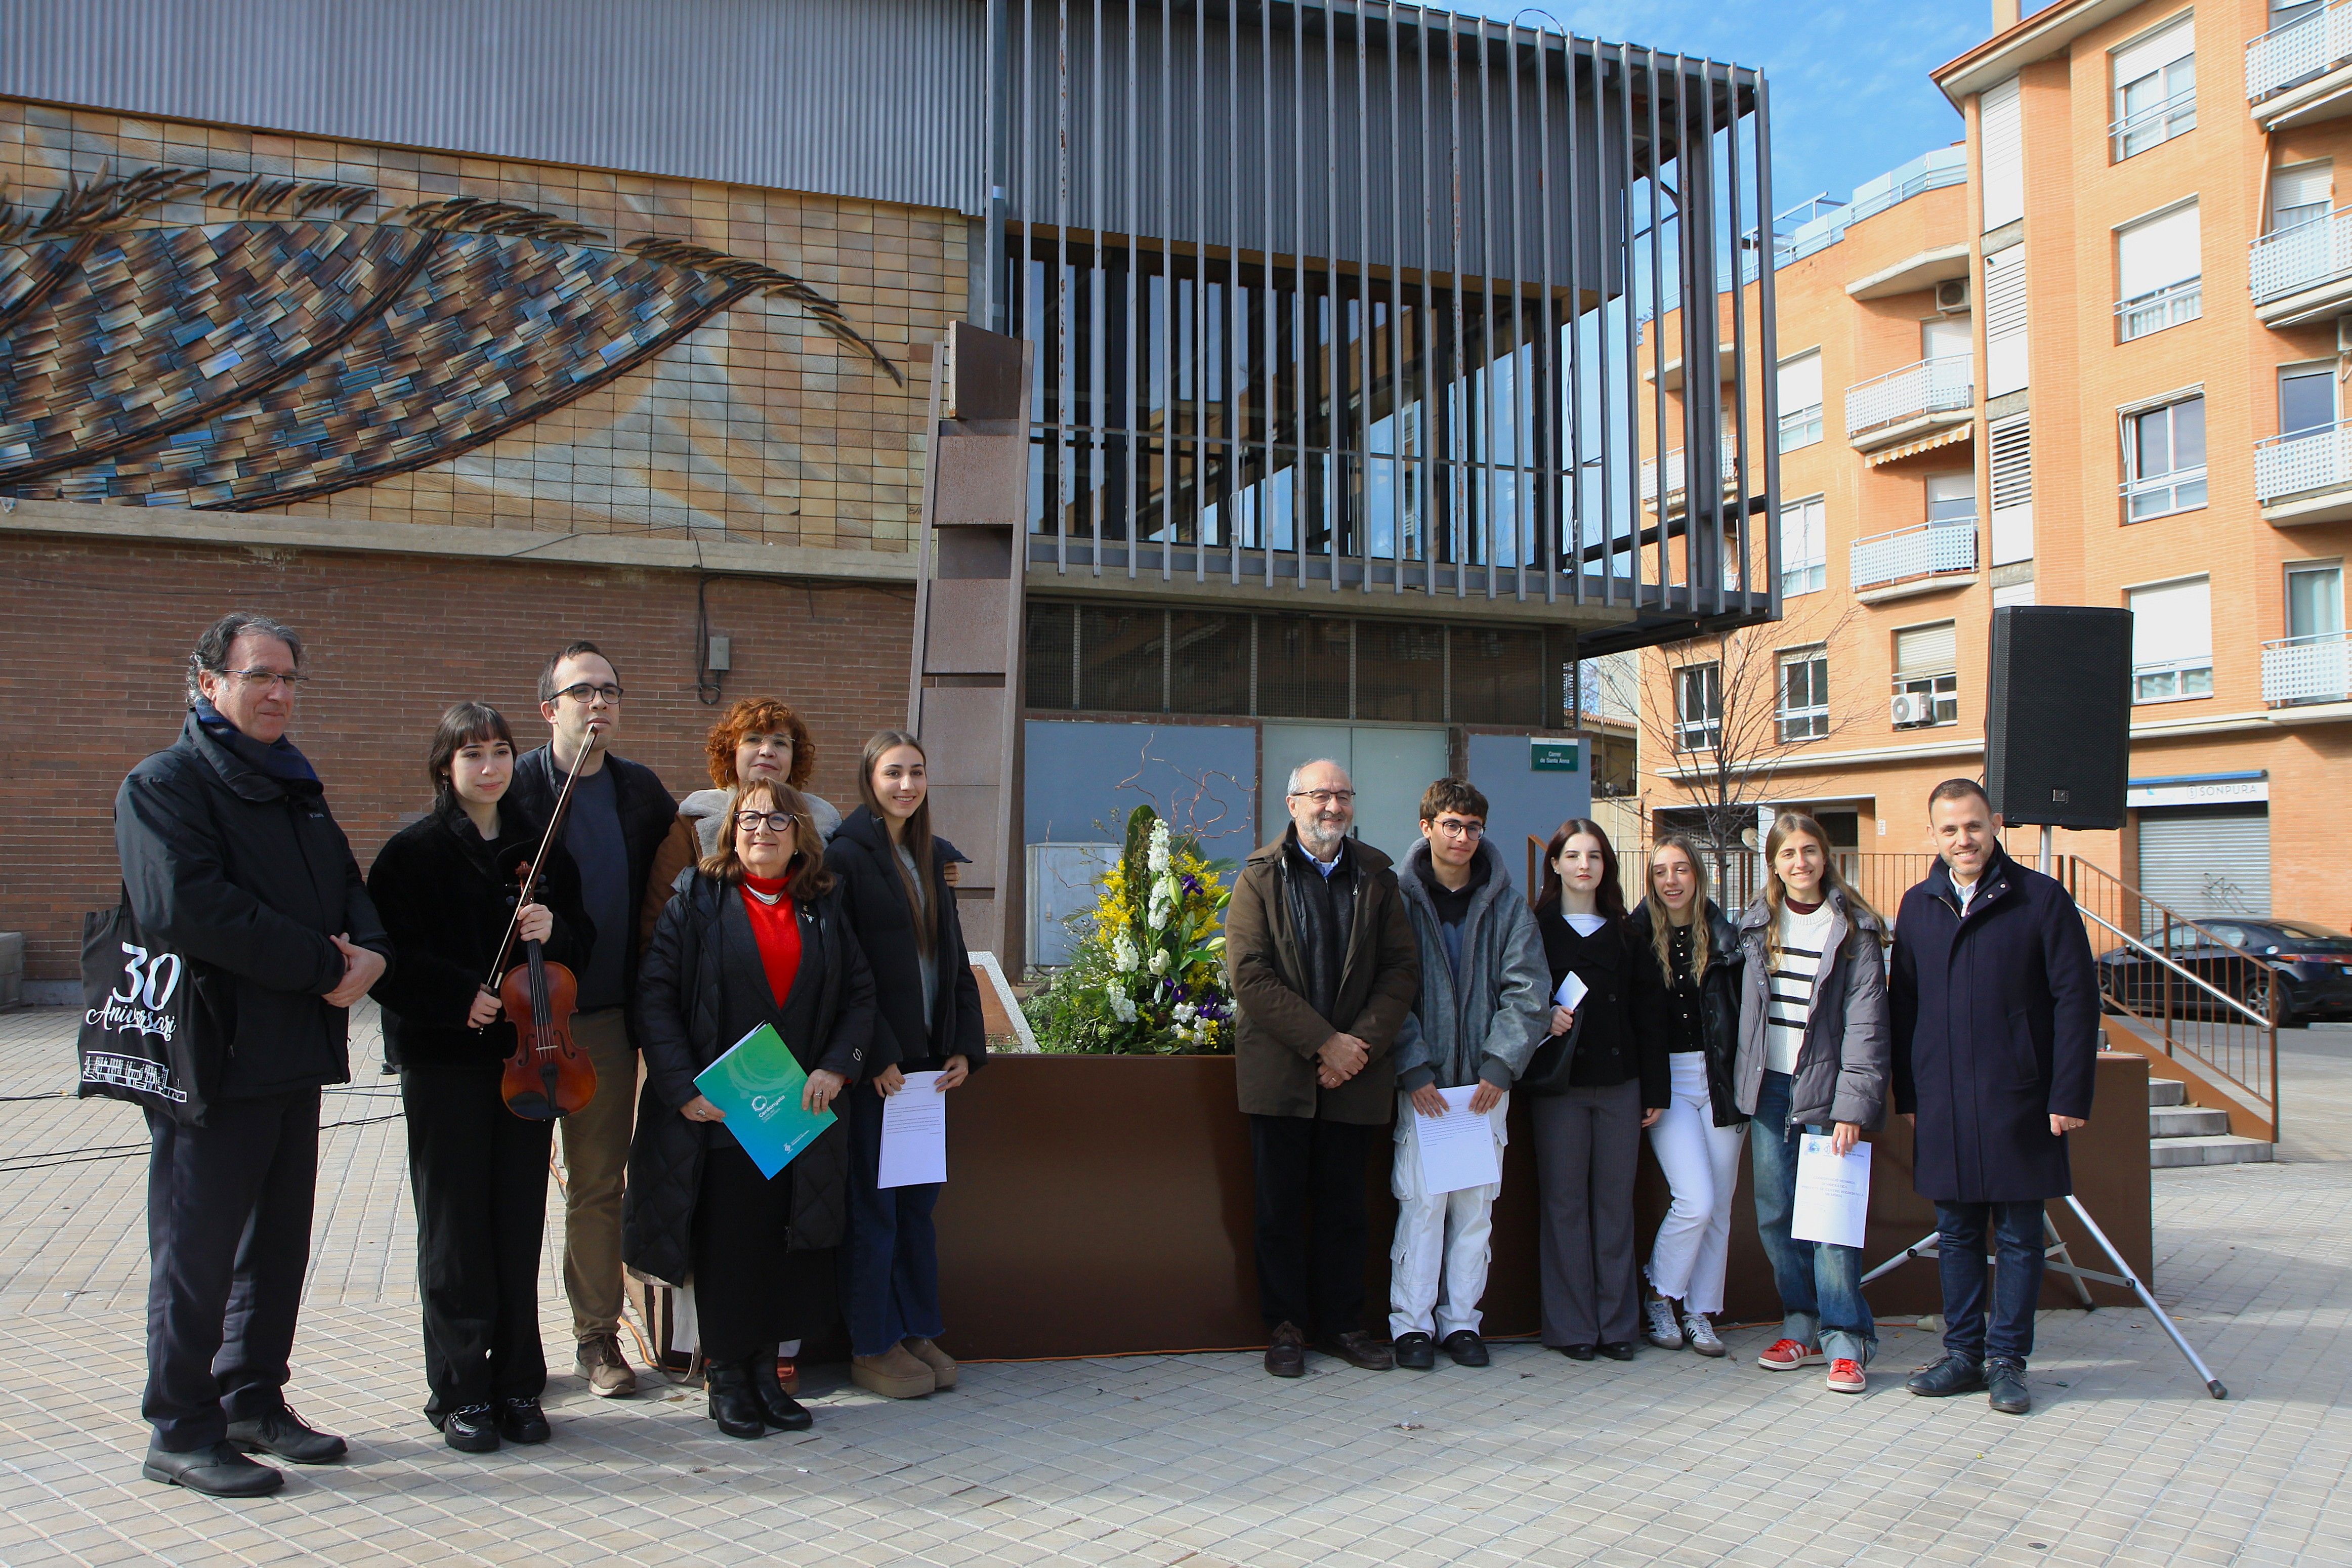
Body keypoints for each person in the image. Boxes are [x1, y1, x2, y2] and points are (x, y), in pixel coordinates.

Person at [115, 611, 392, 1497]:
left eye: (288, 678)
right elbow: (188, 907)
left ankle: (251, 1395)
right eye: (259, 675)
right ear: (208, 684)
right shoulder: (165, 784)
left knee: (275, 1242)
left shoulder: (293, 784)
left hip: (292, 1053)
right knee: (196, 1249)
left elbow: (345, 880)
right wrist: (324, 964)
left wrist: (374, 952)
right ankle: (180, 1423)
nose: (278, 693)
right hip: (210, 1057)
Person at [365, 703, 591, 1453]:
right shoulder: (411, 854)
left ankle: (519, 1381)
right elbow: (389, 960)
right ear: (445, 767)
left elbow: (582, 946)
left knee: (518, 1220)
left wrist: (555, 928)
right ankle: (459, 1389)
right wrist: (456, 992)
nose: (490, 767)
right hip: (446, 1062)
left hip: (531, 1055)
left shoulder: (541, 848)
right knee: (456, 1228)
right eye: (472, 755)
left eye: (499, 751)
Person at [626, 779, 876, 1437]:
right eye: (749, 818)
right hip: (724, 1113)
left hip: (797, 1114)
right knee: (730, 1246)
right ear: (731, 830)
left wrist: (837, 1064)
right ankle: (728, 1375)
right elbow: (654, 996)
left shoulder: (823, 902)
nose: (761, 829)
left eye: (775, 819)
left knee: (784, 1245)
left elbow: (859, 993)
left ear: (799, 833)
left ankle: (767, 1371)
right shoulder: (697, 896)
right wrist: (683, 1086)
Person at [1892, 779, 2099, 1417]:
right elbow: (1905, 1004)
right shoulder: (1917, 904)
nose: (1963, 840)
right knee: (1954, 1233)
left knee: (2016, 1236)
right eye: (1949, 829)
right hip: (1945, 1100)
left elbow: (2076, 1000)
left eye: (1973, 826)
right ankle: (1963, 1356)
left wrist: (2068, 1093)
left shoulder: (2040, 898)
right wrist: (1909, 1090)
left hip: (2021, 1099)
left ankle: (2008, 1362)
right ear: (1933, 834)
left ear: (1996, 824)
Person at [508, 640, 677, 1401]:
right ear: (550, 707)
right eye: (582, 692)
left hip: (604, 1017)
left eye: (610, 689)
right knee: (508, 1187)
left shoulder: (642, 793)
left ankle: (596, 1334)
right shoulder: (512, 787)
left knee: (597, 1182)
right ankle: (506, 1340)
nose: (599, 703)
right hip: (521, 1016)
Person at [1224, 758, 1419, 1377]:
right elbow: (1249, 975)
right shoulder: (1258, 877)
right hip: (1281, 1076)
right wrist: (1322, 1044)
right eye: (1318, 796)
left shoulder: (1378, 877)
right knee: (1278, 1210)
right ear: (1292, 804)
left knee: (1346, 1210)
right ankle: (1285, 1329)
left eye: (1341, 795)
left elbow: (1400, 972)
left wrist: (1353, 1046)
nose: (1331, 807)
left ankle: (1341, 1325)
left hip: (1357, 1074)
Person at [825, 731, 986, 1399]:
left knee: (919, 1207)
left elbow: (952, 958)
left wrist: (965, 1046)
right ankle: (873, 1341)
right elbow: (846, 966)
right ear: (869, 778)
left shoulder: (929, 855)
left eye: (916, 771)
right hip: (881, 1070)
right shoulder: (847, 856)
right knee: (877, 1210)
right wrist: (877, 1054)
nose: (906, 784)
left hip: (927, 1069)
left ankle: (917, 1326)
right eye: (893, 772)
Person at [1384, 780, 1548, 1370]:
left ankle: (1460, 1323)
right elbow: (1387, 991)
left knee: (1476, 1209)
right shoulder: (1396, 897)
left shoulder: (1506, 902)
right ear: (1426, 826)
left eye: (1473, 827)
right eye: (1451, 824)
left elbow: (1527, 990)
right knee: (1423, 1206)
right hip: (1424, 1087)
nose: (1462, 837)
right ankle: (1411, 1326)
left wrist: (1500, 1066)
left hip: (1484, 1088)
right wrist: (1412, 1066)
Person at [1732, 811, 1889, 1395]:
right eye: (1788, 853)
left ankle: (1847, 1340)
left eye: (1809, 851)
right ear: (1772, 862)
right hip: (1769, 1089)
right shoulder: (1755, 926)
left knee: (1831, 1222)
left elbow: (1867, 1026)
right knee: (1775, 1214)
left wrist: (1853, 1106)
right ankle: (1800, 1323)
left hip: (1827, 1093)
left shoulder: (1854, 930)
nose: (1800, 863)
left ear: (1826, 856)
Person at [1528, 819, 1665, 1362]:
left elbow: (1649, 1016)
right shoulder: (1533, 928)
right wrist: (1544, 1016)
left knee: (1614, 1207)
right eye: (1573, 855)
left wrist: (1654, 1088)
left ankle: (1617, 1326)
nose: (1584, 866)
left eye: (1595, 856)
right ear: (1556, 864)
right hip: (1558, 1086)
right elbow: (1511, 992)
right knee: (1563, 1205)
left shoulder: (1628, 932)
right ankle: (1571, 1328)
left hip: (1620, 1085)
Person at [1626, 835, 1747, 1357]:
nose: (1671, 880)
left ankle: (1700, 1311)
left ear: (1698, 875)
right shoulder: (1635, 936)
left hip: (1720, 1078)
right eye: (1660, 872)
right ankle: (1660, 1294)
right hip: (1668, 1083)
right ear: (1650, 881)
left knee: (1719, 1205)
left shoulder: (1725, 935)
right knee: (1694, 1199)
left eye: (1680, 869)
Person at [639, 697, 844, 950]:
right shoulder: (695, 821)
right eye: (753, 739)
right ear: (732, 751)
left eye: (780, 743)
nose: (767, 750)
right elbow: (658, 923)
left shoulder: (825, 825)